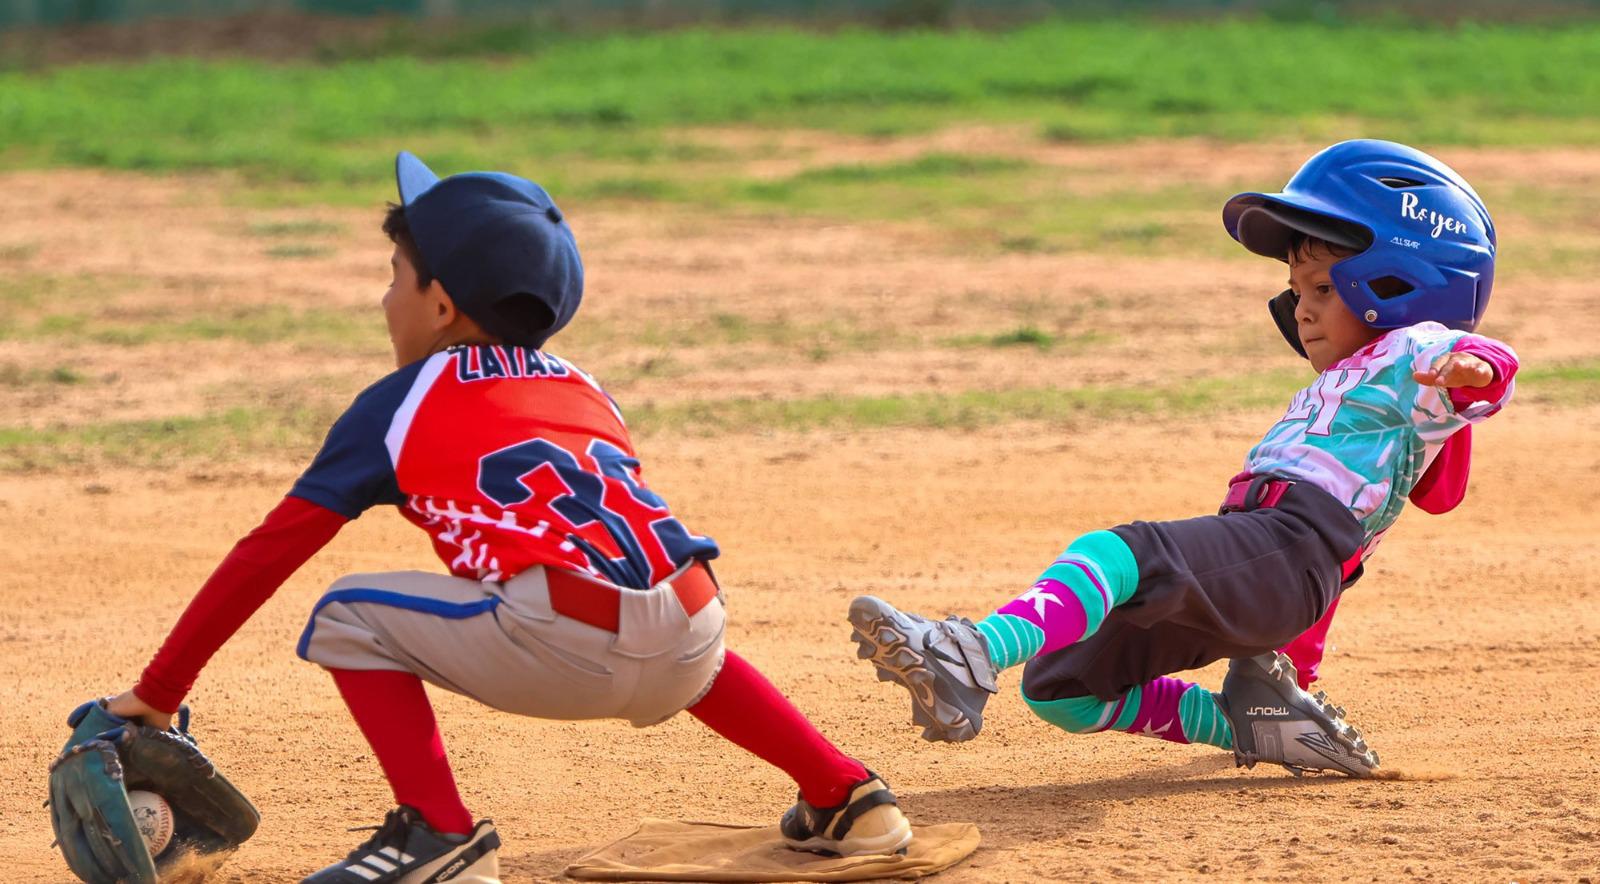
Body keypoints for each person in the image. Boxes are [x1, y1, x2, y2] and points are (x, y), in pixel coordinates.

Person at [97, 152, 913, 884]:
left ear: (442, 304)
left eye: (394, 276)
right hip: (700, 629)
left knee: (346, 615)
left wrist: (160, 692)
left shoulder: (400, 402)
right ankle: (847, 795)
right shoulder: (585, 387)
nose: (385, 298)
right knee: (652, 594)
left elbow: (268, 551)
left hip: (564, 643)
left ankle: (439, 837)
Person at [847, 139, 1517, 777]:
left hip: (1287, 549)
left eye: (1322, 288)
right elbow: (1333, 568)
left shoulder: (1416, 353)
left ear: (1398, 283)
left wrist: (1475, 369)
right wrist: (1290, 671)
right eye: (1297, 290)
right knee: (1060, 686)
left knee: (1122, 553)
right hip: (1272, 559)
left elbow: (1488, 362)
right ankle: (1246, 725)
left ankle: (972, 653)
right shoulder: (1349, 382)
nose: (1301, 310)